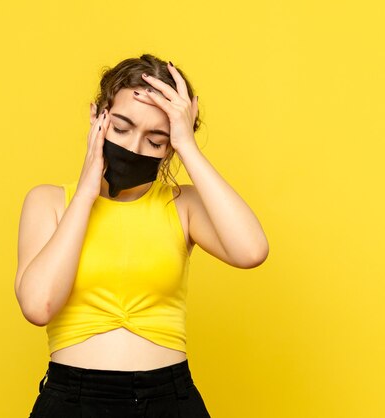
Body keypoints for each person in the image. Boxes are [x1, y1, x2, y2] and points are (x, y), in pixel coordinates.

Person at [15, 53, 269, 417]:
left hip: (169, 399)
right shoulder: (50, 202)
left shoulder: (183, 205)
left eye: (156, 140)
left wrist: (187, 145)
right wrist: (87, 193)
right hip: (73, 400)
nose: (133, 149)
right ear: (97, 117)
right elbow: (39, 306)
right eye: (120, 128)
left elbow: (252, 251)